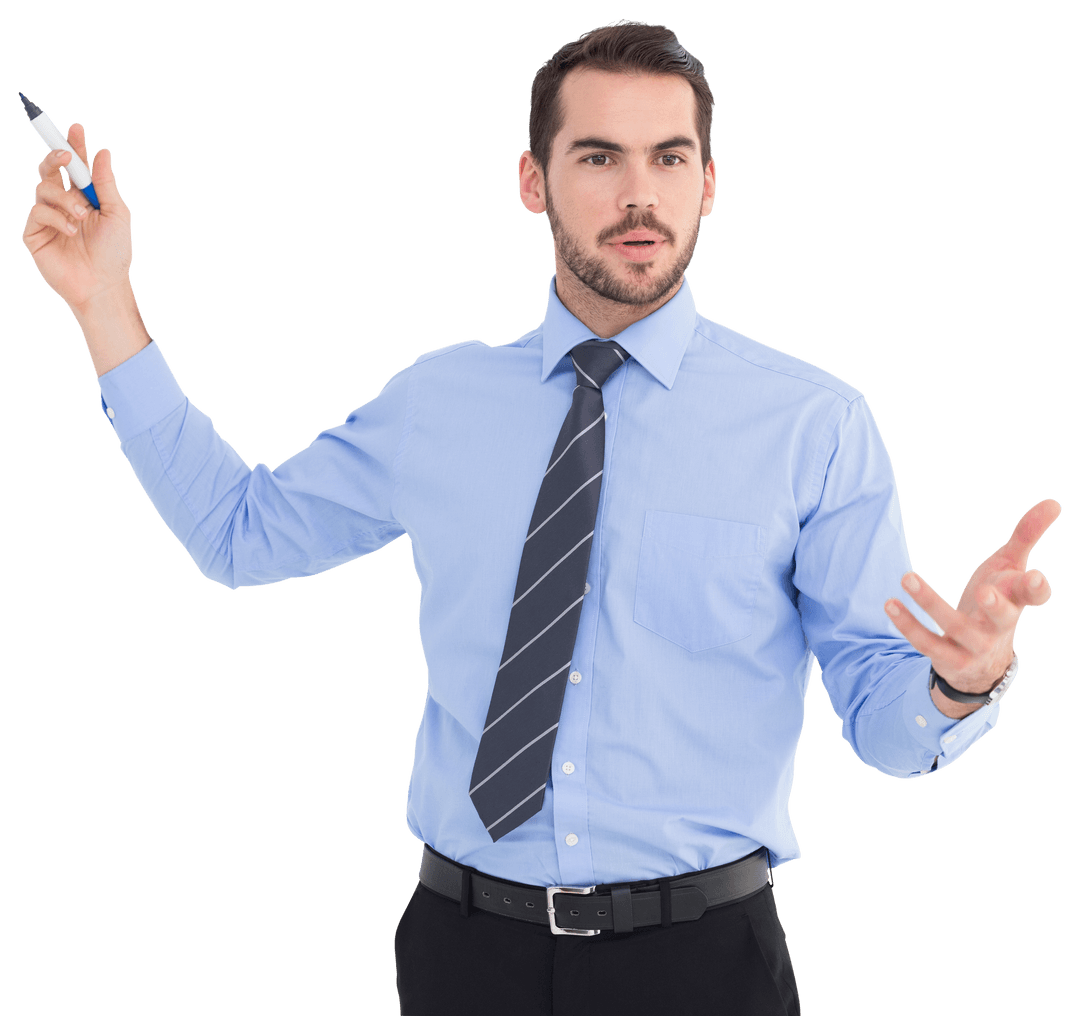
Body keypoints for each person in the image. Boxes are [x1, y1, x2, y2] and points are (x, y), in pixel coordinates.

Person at [21, 19, 1059, 1016]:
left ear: (708, 183)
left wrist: (959, 680)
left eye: (669, 158)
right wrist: (103, 302)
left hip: (703, 960)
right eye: (599, 156)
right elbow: (238, 536)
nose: (638, 194)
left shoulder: (811, 424)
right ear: (535, 181)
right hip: (466, 947)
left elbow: (885, 723)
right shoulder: (439, 401)